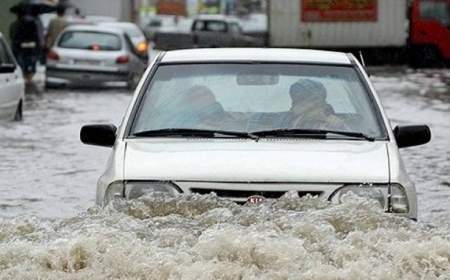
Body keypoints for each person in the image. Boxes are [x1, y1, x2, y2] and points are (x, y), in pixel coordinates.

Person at [10, 7, 41, 86]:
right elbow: (37, 36)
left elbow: (12, 36)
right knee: (31, 64)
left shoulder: (15, 24)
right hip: (31, 47)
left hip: (20, 47)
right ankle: (29, 79)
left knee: (21, 64)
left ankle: (25, 78)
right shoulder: (33, 22)